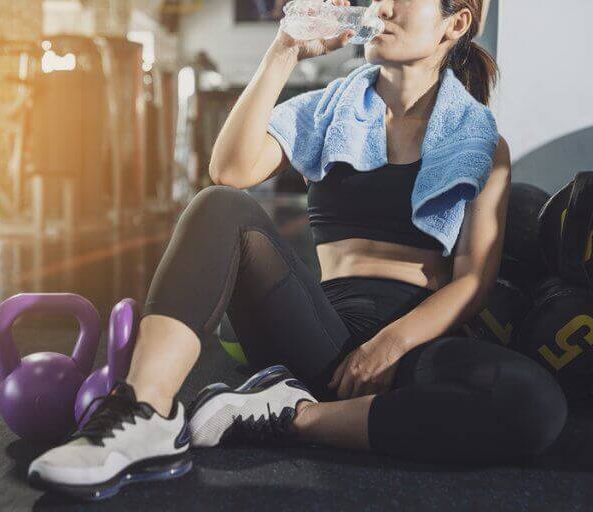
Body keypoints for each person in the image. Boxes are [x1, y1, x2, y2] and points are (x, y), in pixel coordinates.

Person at [28, 0, 568, 500]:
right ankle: (144, 413)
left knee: (535, 406)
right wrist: (284, 49)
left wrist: (390, 344)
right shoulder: (330, 110)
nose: (381, 6)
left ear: (455, 24)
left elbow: (473, 280)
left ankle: (293, 416)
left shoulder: (479, 141)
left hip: (410, 346)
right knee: (220, 205)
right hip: (316, 334)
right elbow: (231, 169)